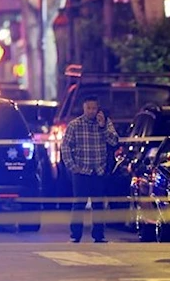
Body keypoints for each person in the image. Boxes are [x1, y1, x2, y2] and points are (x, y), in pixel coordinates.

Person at [61, 95, 119, 243]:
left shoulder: (105, 123)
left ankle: (99, 235)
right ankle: (75, 235)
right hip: (81, 170)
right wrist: (72, 166)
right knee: (79, 204)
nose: (91, 111)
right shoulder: (75, 125)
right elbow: (65, 146)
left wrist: (102, 126)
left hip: (99, 170)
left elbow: (114, 141)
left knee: (98, 204)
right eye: (89, 108)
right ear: (84, 108)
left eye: (94, 108)